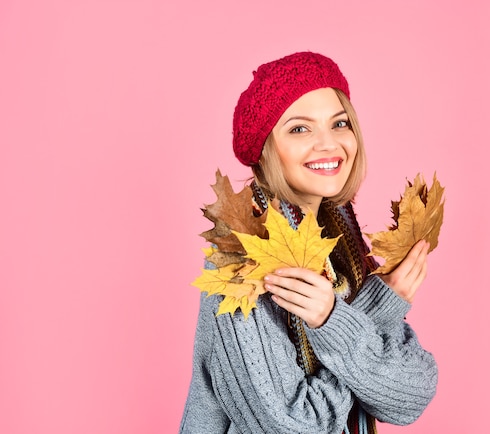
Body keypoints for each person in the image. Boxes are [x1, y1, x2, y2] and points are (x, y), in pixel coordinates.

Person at [180, 51, 437, 434]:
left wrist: (338, 319)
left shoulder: (343, 244)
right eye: (300, 129)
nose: (328, 143)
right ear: (267, 149)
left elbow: (411, 395)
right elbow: (293, 425)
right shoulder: (241, 257)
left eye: (340, 123)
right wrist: (370, 313)